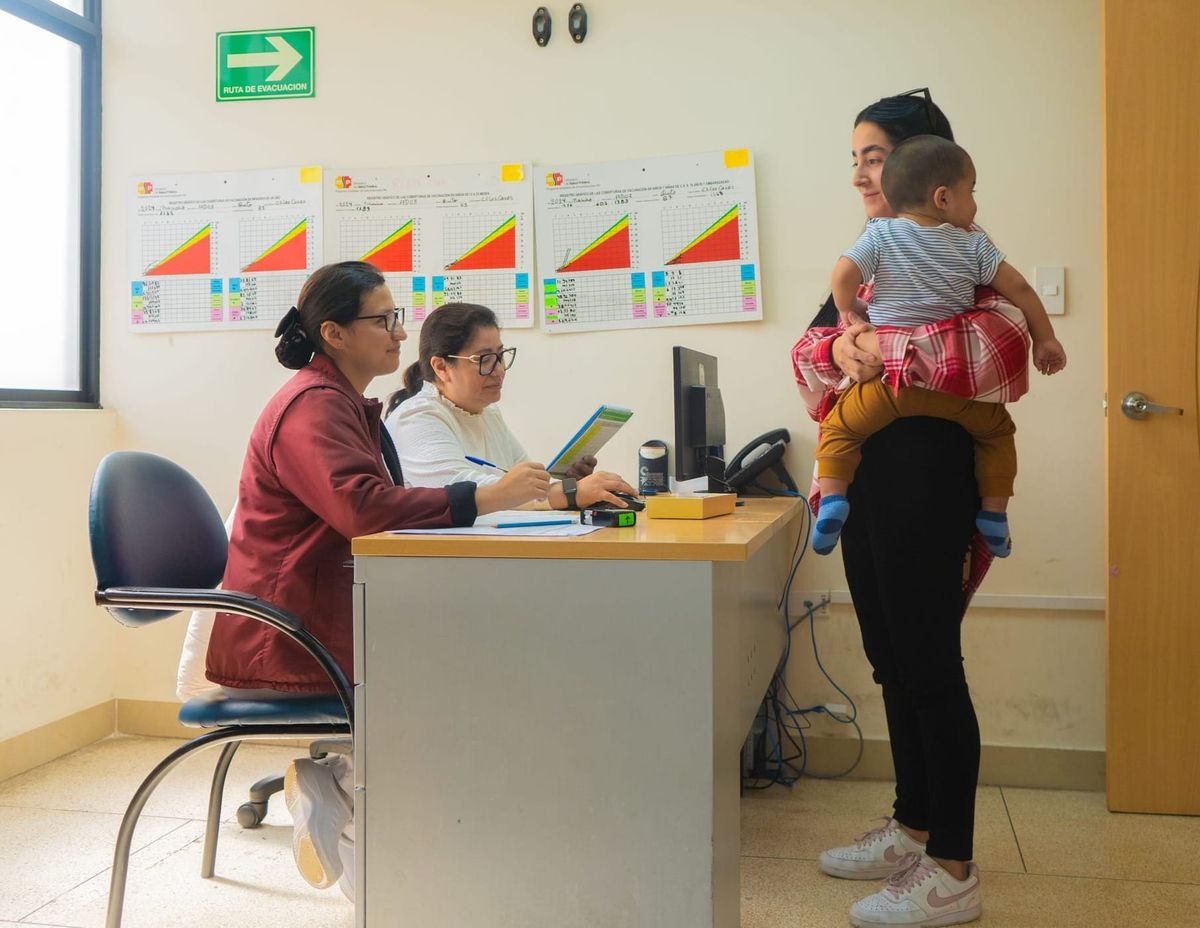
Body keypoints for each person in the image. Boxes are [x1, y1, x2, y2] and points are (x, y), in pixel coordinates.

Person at [205, 262, 551, 900]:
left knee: (478, 653)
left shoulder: (340, 404)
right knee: (469, 668)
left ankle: (339, 788)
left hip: (321, 614)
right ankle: (386, 863)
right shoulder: (313, 408)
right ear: (334, 334)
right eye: (383, 319)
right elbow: (362, 508)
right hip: (288, 635)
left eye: (398, 317)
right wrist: (480, 497)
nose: (399, 333)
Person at [790, 89, 1032, 928]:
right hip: (867, 483)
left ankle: (954, 868)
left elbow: (992, 351)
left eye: (875, 154)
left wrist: (866, 348)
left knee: (929, 664)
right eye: (854, 156)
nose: (862, 170)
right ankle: (914, 825)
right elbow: (809, 354)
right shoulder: (876, 254)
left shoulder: (965, 250)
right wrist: (841, 344)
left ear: (924, 167)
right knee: (892, 658)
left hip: (932, 477)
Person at [811, 135, 1067, 557]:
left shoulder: (880, 236)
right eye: (973, 192)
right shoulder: (973, 243)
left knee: (840, 428)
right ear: (944, 197)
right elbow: (1019, 287)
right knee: (998, 433)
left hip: (890, 387)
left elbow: (841, 276)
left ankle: (834, 500)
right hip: (957, 396)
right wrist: (1046, 339)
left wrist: (852, 311)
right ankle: (994, 513)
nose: (975, 205)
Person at [384, 302, 635, 508]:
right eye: (484, 359)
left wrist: (565, 483)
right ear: (441, 367)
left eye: (501, 356)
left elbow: (523, 482)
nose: (499, 370)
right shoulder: (416, 417)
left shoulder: (488, 413)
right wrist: (566, 494)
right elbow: (461, 492)